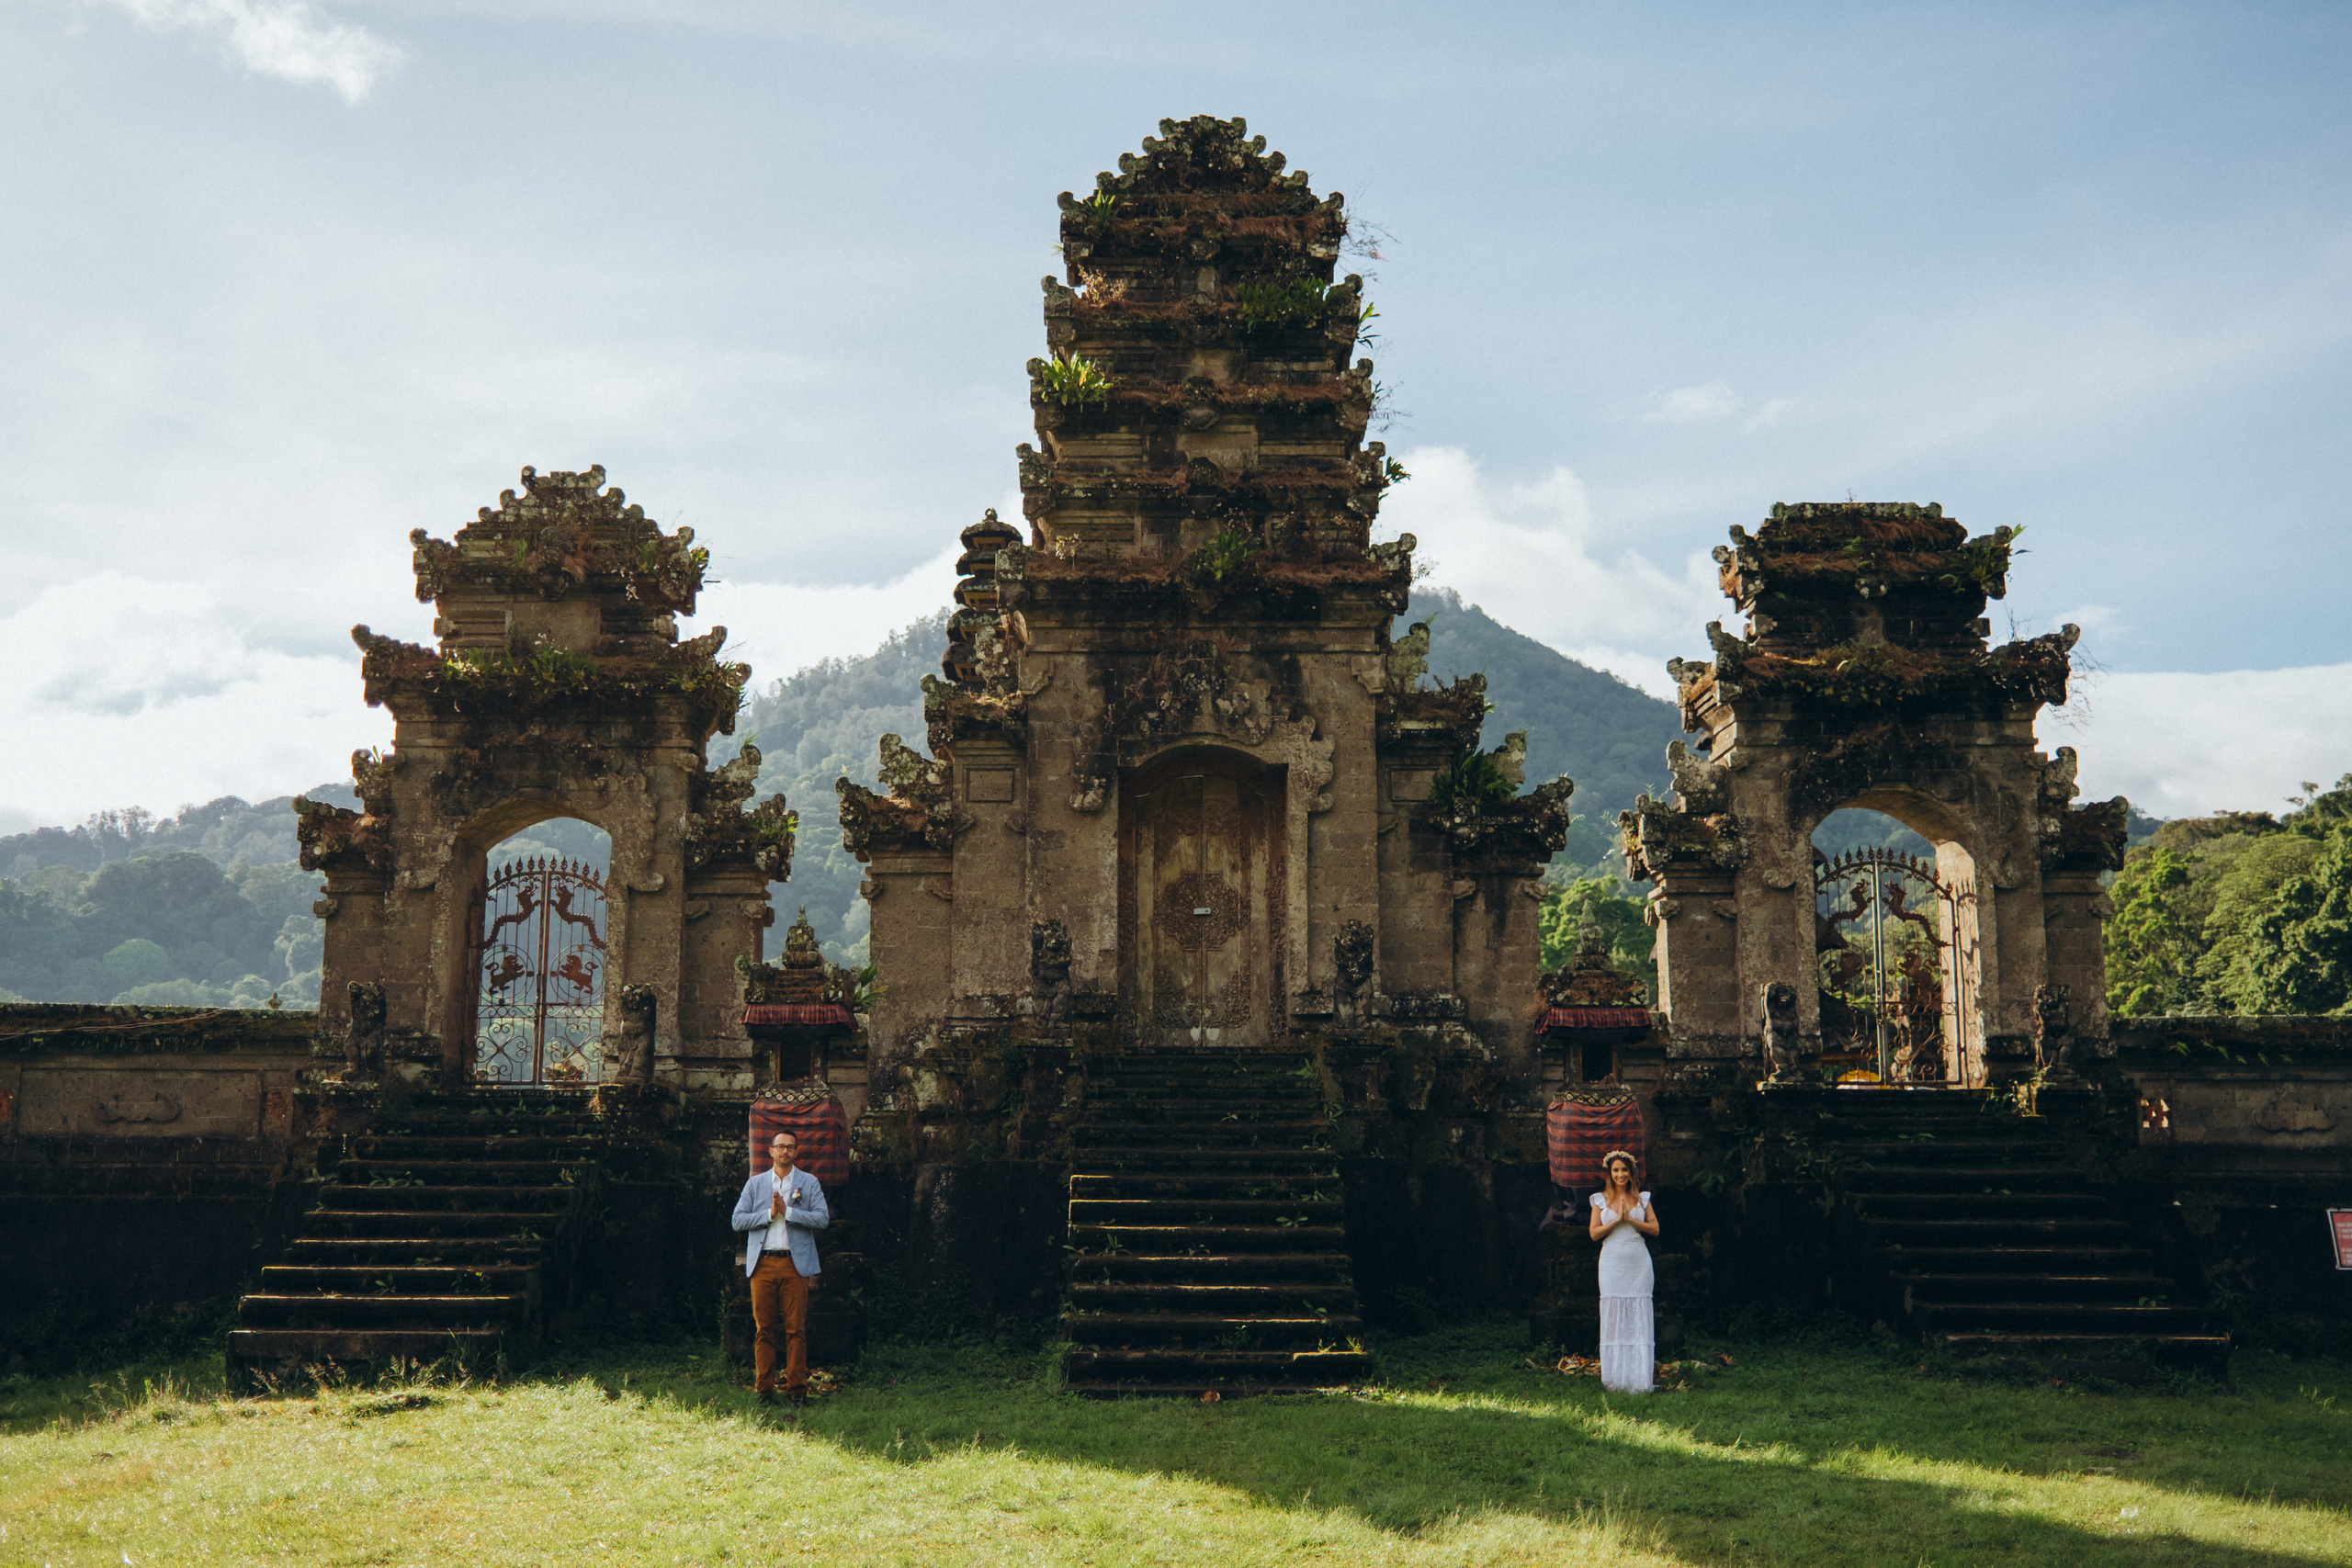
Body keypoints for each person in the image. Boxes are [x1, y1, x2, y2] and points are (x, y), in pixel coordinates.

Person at [731, 1129, 831, 1407]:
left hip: (794, 1264)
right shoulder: (755, 1184)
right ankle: (764, 1390)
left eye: (790, 1147)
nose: (785, 1151)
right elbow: (737, 1221)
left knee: (795, 1329)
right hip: (763, 1263)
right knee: (763, 1329)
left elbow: (822, 1219)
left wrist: (789, 1213)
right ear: (771, 1151)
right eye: (780, 1147)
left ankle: (797, 1390)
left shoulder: (808, 1183)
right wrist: (768, 1215)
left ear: (796, 1152)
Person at [1588, 1149, 1658, 1393]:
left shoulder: (1642, 1199)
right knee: (1614, 1313)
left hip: (1638, 1262)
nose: (1620, 1174)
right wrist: (1616, 1221)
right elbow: (1594, 1233)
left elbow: (1655, 1228)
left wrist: (1631, 1220)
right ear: (1610, 1173)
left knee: (1637, 1313)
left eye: (1624, 1170)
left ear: (1631, 1173)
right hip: (1611, 1262)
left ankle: (1639, 1380)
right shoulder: (1599, 1199)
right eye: (1616, 1170)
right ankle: (1615, 1380)